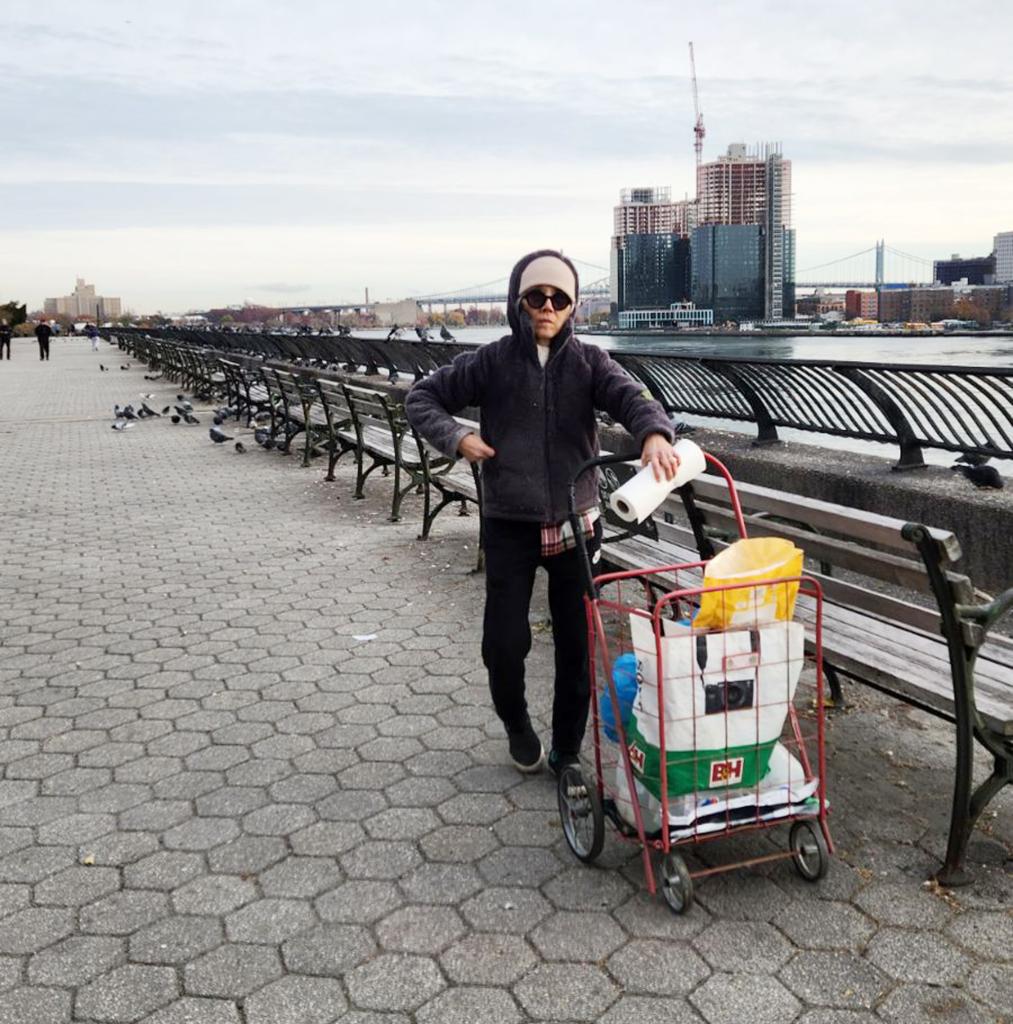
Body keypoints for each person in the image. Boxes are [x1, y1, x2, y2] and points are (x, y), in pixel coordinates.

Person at [406, 249, 678, 774]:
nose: (547, 307)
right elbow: (422, 399)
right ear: (519, 302)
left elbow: (632, 397)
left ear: (572, 305)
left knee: (576, 646)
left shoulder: (591, 362)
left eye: (559, 298)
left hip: (578, 524)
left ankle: (568, 749)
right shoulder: (491, 361)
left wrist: (654, 434)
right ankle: (516, 724)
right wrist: (458, 436)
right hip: (509, 522)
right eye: (536, 297)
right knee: (503, 644)